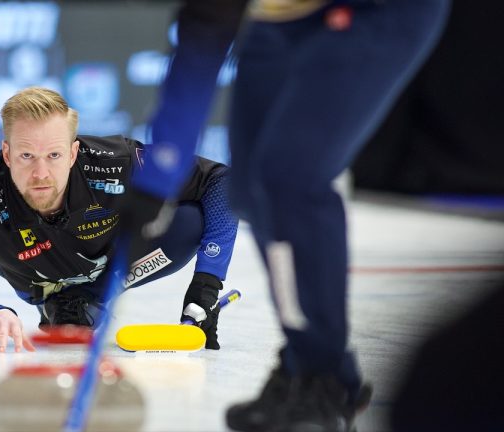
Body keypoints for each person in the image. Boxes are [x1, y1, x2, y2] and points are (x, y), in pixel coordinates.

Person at [135, 0, 451, 431]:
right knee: (249, 190)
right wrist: (159, 177)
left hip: (375, 10)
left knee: (291, 178)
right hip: (280, 18)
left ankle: (324, 376)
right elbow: (201, 39)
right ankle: (304, 359)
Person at [0, 86, 238, 353]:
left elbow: (220, 181)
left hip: (110, 265)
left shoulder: (114, 164)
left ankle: (96, 295)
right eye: (26, 156)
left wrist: (206, 284)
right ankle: (58, 303)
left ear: (74, 153)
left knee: (189, 220)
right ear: (7, 155)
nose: (41, 174)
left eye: (54, 155)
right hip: (39, 281)